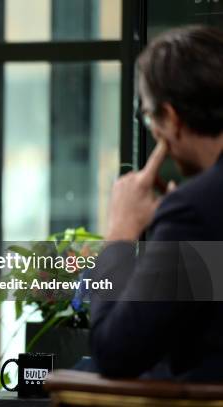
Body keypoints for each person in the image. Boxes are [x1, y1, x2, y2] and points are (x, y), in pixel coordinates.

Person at [89, 25, 223, 381]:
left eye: (149, 116)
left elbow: (115, 352)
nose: (151, 128)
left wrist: (120, 233)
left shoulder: (194, 211)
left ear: (172, 118)